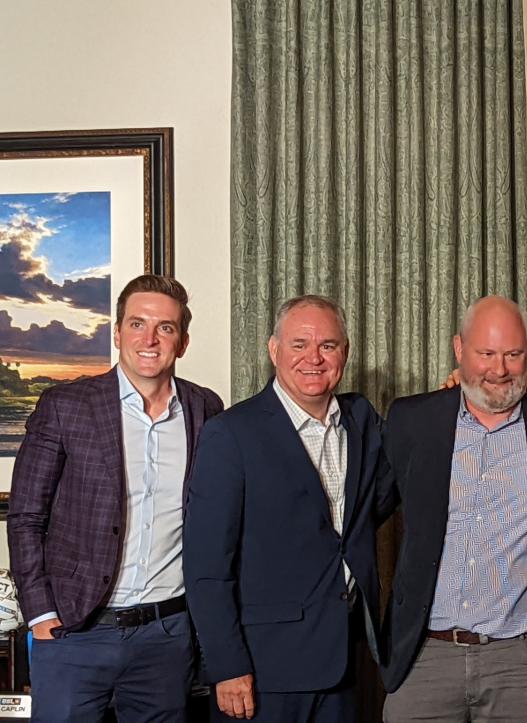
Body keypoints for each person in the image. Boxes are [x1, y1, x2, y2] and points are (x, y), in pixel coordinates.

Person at [380, 295, 527, 722]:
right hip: (425, 655)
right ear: (458, 350)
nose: (499, 369)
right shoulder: (413, 421)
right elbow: (362, 511)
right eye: (485, 354)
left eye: (512, 354)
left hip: (525, 659)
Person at [8, 275, 223, 723]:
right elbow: (27, 515)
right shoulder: (66, 405)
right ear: (117, 333)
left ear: (182, 342)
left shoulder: (206, 409)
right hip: (74, 633)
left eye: (165, 328)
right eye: (137, 324)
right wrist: (41, 616)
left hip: (167, 635)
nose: (150, 339)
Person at [183, 295, 388, 722]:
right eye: (299, 344)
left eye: (328, 345)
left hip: (345, 663)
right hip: (261, 672)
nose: (314, 357)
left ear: (344, 354)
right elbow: (206, 567)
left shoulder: (362, 419)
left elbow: (387, 492)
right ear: (274, 350)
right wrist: (228, 666)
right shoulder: (232, 434)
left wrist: (454, 394)